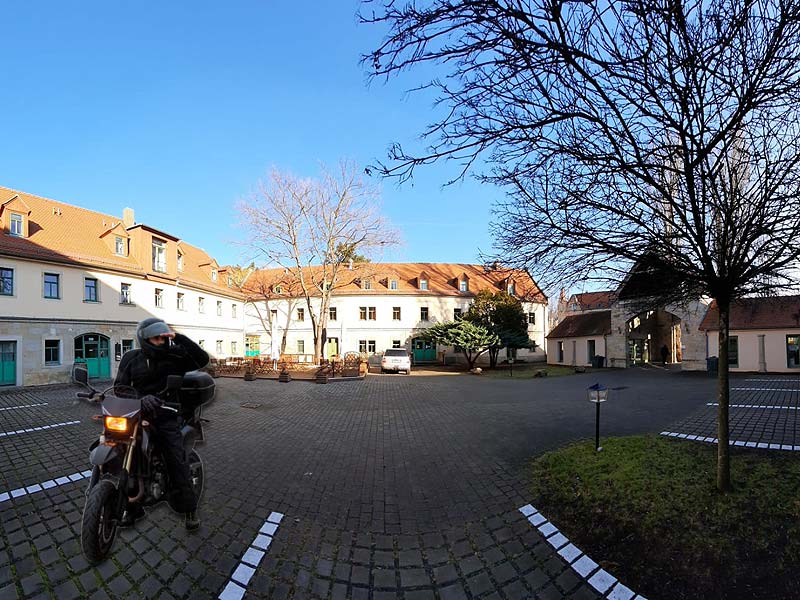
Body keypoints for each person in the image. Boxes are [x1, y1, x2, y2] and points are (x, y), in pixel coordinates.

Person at [114, 317, 209, 530]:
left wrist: (178, 337)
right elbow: (120, 387)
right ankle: (132, 507)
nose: (161, 341)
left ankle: (189, 508)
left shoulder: (175, 356)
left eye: (163, 337)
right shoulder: (131, 358)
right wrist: (140, 399)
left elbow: (202, 359)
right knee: (127, 455)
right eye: (157, 338)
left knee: (176, 459)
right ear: (145, 339)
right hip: (136, 414)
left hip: (166, 414)